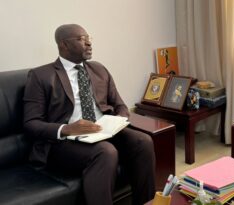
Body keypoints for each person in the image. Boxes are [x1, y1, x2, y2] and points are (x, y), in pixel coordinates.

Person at [23, 24, 156, 205]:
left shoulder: (99, 69)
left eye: (88, 38)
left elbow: (120, 105)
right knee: (105, 152)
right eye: (81, 39)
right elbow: (31, 123)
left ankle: (146, 203)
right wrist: (67, 129)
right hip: (65, 142)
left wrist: (117, 121)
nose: (88, 44)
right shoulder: (40, 75)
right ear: (64, 45)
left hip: (103, 130)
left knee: (143, 141)